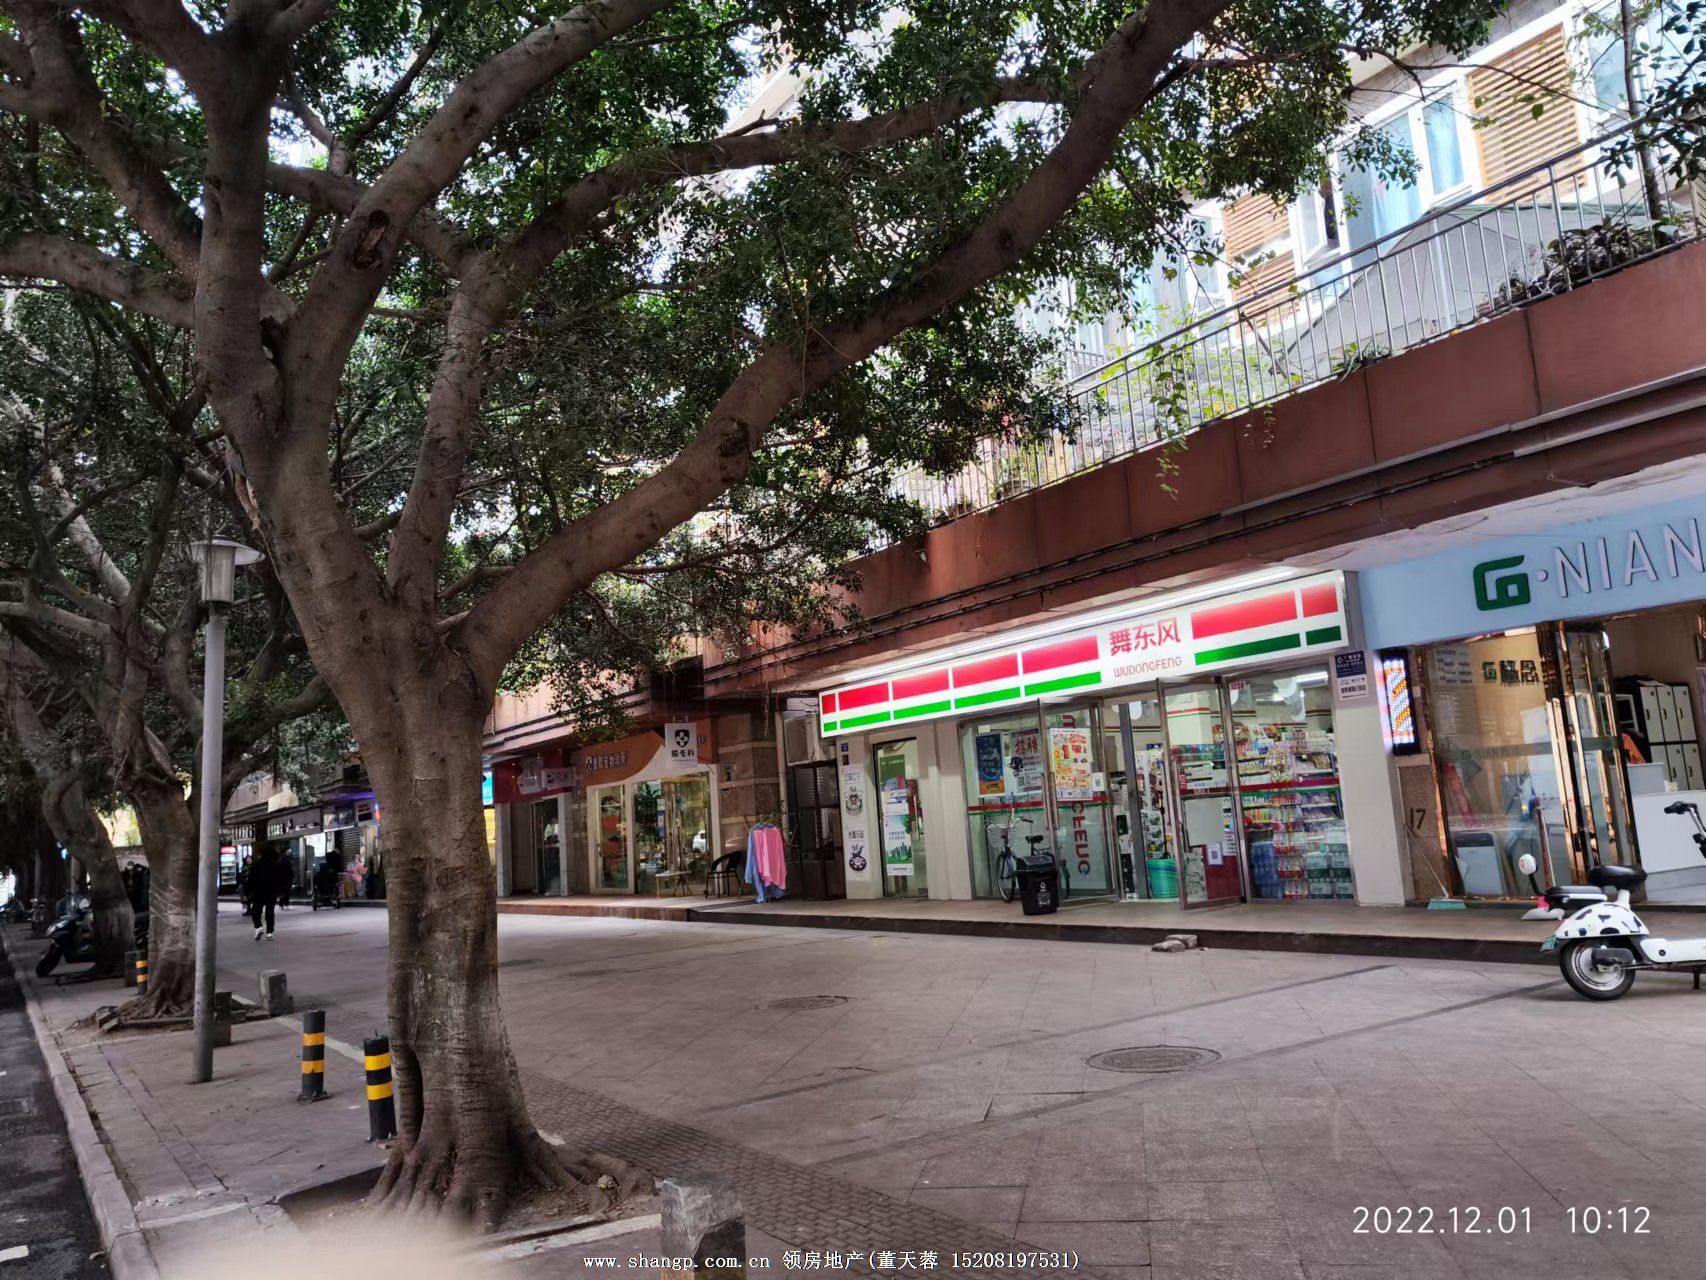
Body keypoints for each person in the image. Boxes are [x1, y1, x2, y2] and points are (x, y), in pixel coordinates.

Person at [250, 848, 283, 940]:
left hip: (259, 891)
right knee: (270, 911)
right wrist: (281, 891)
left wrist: (248, 891)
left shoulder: (257, 865)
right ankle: (269, 932)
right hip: (272, 891)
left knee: (256, 910)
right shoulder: (276, 865)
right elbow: (281, 879)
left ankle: (258, 926)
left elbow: (251, 880)